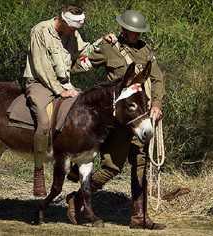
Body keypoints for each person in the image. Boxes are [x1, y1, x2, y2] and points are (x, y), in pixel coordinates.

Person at [67, 10, 166, 229]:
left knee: (141, 162)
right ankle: (77, 198)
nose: (134, 35)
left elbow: (157, 79)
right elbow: (76, 65)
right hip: (120, 118)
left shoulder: (146, 50)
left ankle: (139, 217)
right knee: (112, 167)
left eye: (137, 33)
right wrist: (63, 84)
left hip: (140, 116)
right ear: (124, 29)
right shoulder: (108, 48)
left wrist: (156, 104)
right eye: (131, 32)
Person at [21, 5, 92, 197]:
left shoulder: (72, 32)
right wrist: (60, 91)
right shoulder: (40, 30)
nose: (74, 32)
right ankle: (38, 169)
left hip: (65, 84)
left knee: (86, 116)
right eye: (72, 28)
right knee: (43, 123)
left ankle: (77, 162)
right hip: (40, 82)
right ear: (62, 20)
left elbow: (85, 49)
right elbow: (41, 65)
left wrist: (105, 42)